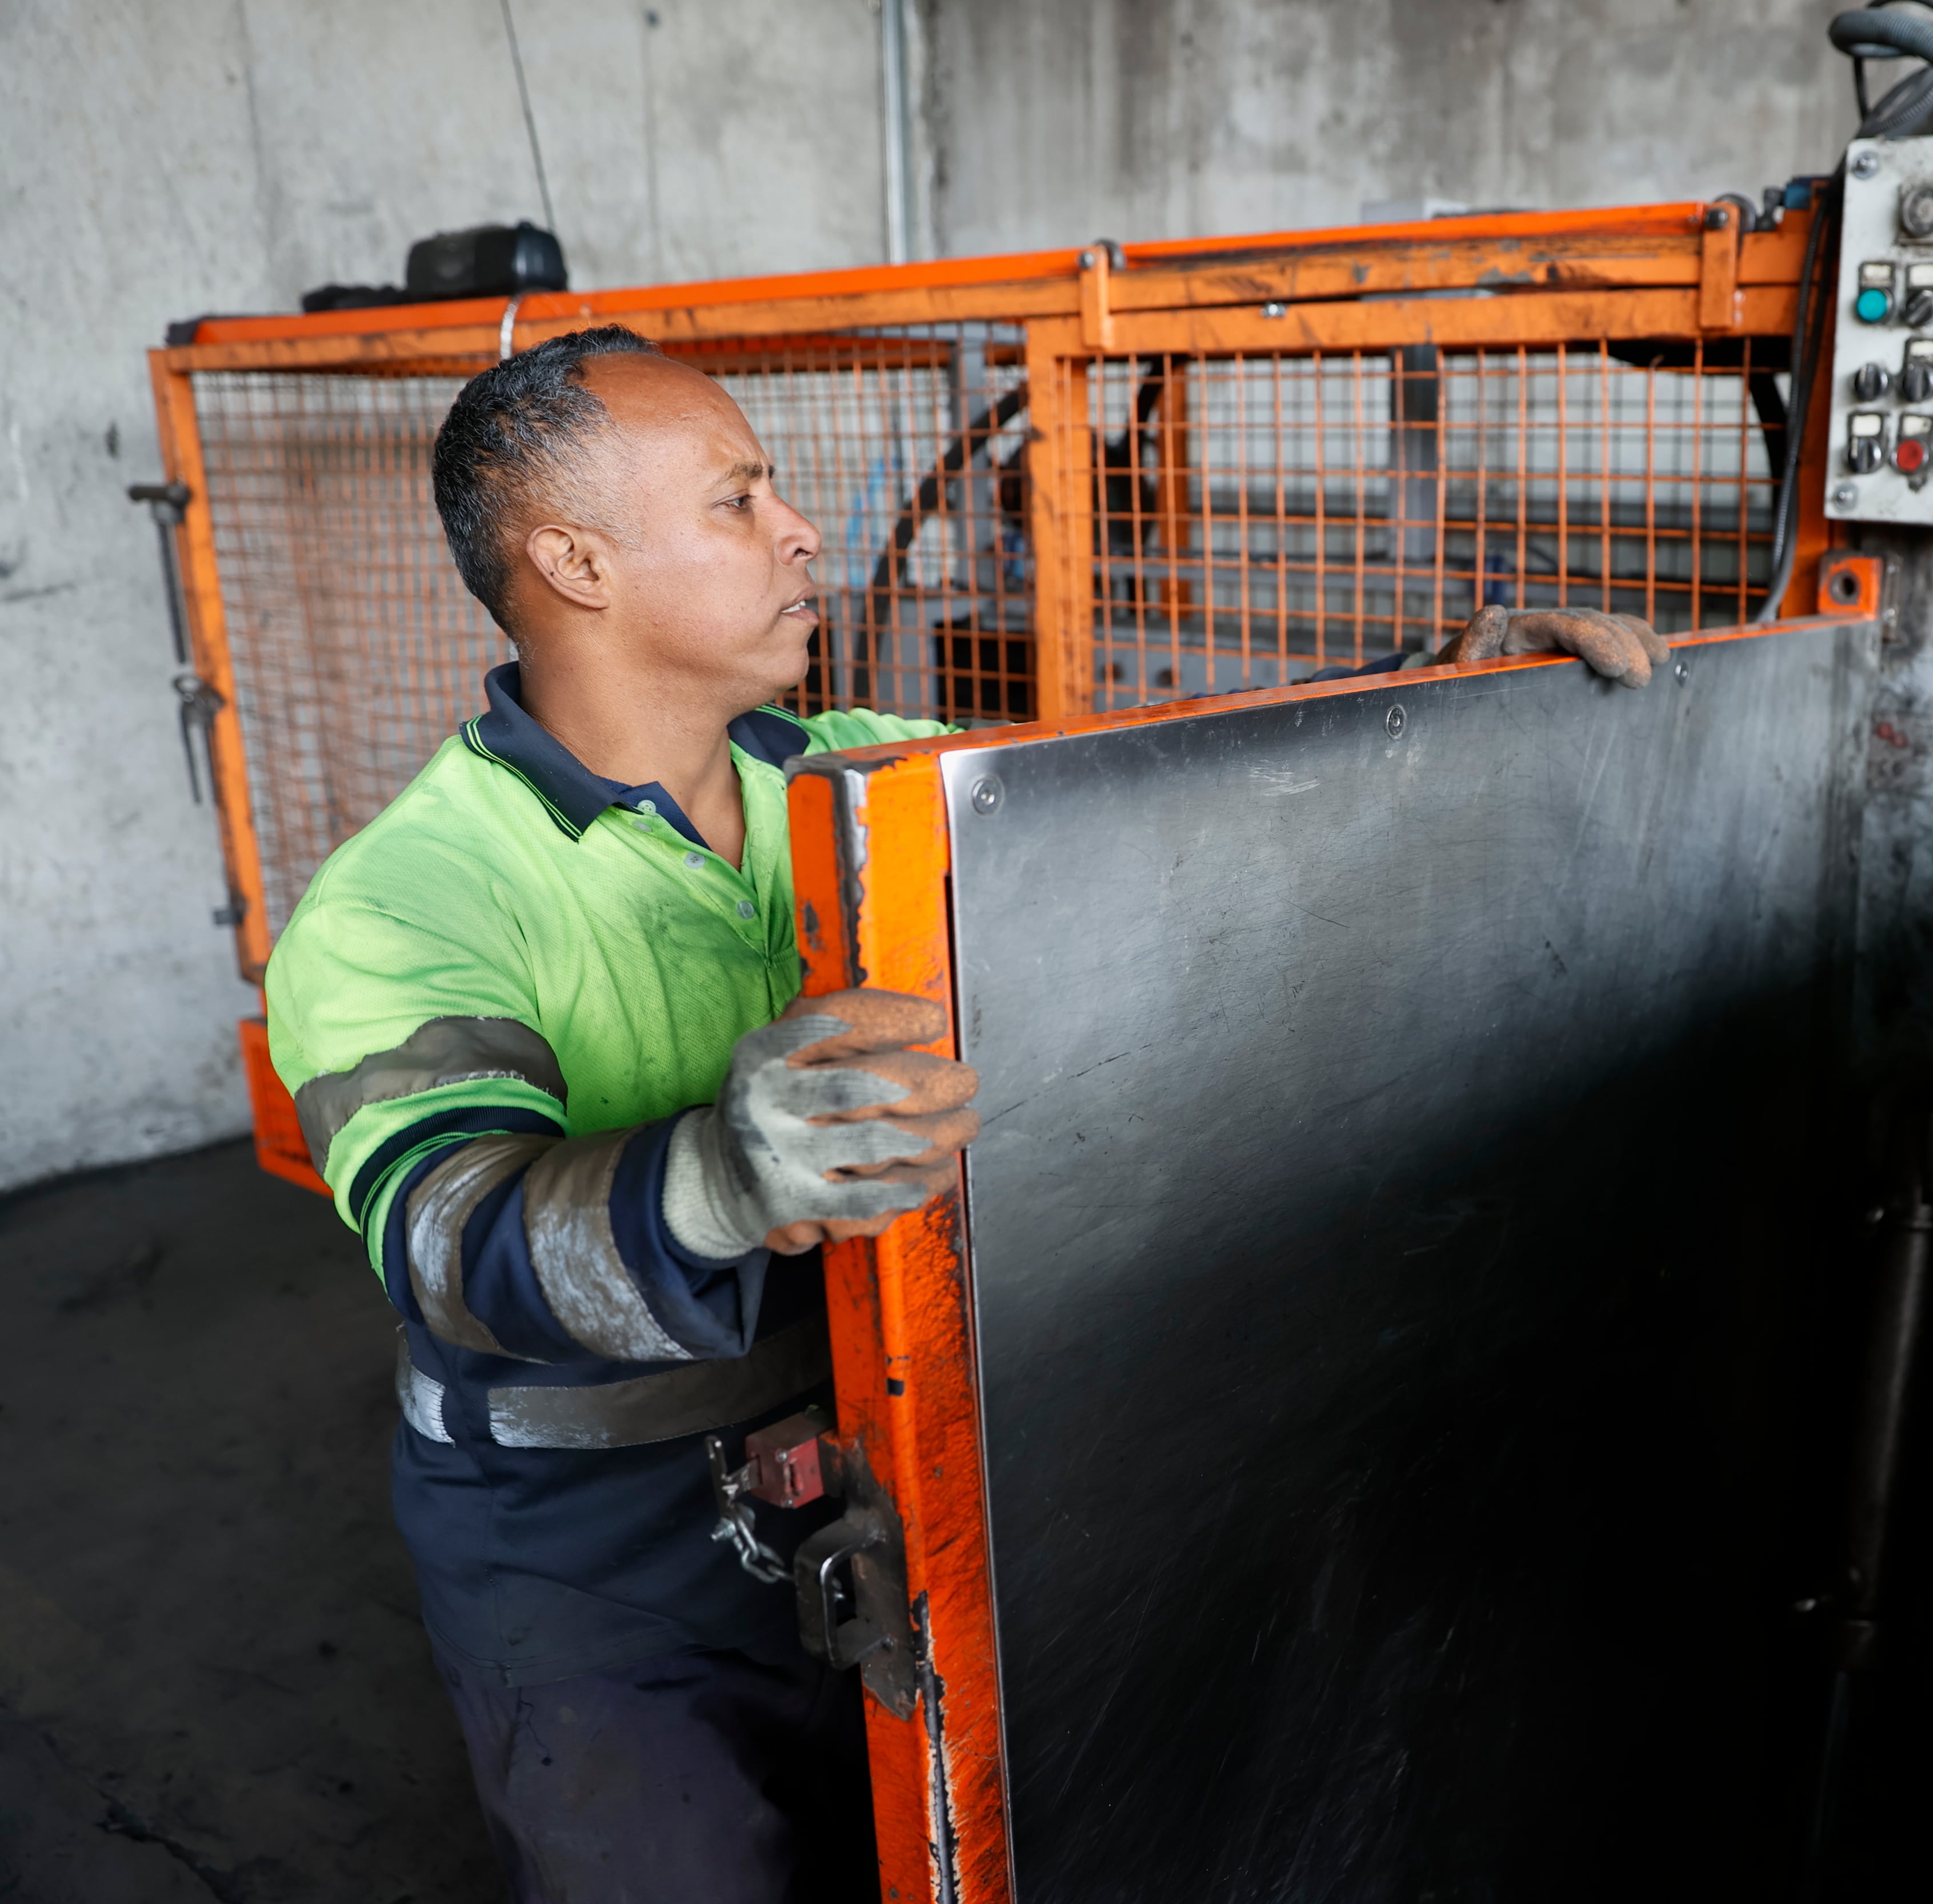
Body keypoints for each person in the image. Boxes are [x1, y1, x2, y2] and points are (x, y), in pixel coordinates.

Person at [263, 323, 1667, 1902]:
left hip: (889, 1448)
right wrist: (720, 1176)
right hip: (591, 1557)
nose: (801, 530)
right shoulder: (409, 900)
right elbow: (450, 1242)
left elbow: (1143, 807)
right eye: (739, 499)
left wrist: (1437, 686)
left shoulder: (865, 780)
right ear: (578, 563)